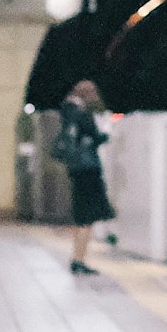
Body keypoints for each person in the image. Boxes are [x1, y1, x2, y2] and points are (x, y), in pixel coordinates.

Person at [59, 78, 115, 275]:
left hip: (76, 168)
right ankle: (79, 259)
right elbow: (96, 137)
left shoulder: (67, 110)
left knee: (80, 215)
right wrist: (106, 134)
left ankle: (77, 256)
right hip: (87, 168)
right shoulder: (81, 113)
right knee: (86, 216)